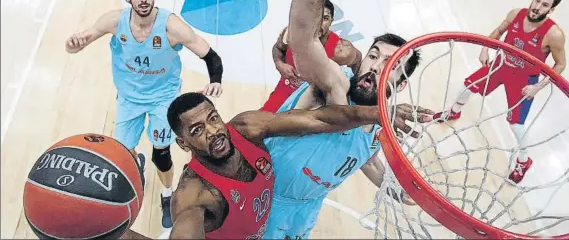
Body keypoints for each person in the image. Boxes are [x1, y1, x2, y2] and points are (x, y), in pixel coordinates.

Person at [261, 0, 435, 239]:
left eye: (388, 64)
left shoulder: (383, 121)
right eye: (374, 54)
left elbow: (366, 158)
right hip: (267, 192)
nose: (374, 65)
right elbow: (304, 40)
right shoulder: (335, 85)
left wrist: (399, 190)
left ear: (400, 85)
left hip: (308, 205)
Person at [119, 91, 423, 239]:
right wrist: (112, 232)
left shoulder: (247, 128)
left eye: (213, 118)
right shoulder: (195, 194)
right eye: (197, 130)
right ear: (184, 144)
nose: (213, 132)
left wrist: (376, 112)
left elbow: (319, 119)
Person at [64, 0, 224, 228]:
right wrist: (73, 46)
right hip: (129, 99)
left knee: (161, 154)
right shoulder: (114, 21)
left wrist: (215, 80)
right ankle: (135, 161)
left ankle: (167, 194)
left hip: (163, 99)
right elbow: (78, 44)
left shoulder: (171, 26)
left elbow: (210, 55)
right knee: (123, 152)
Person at [434, 0, 565, 184]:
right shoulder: (516, 14)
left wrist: (538, 87)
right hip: (501, 65)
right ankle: (454, 112)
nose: (537, 7)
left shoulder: (554, 34)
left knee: (516, 125)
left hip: (524, 80)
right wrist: (485, 49)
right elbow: (497, 32)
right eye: (537, 0)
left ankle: (523, 160)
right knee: (467, 86)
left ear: (551, 10)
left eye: (545, 5)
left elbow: (561, 64)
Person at [262, 0, 361, 112]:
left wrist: (350, 94)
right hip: (282, 94)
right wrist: (279, 64)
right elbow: (278, 48)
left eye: (325, 18)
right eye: (315, 17)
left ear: (331, 21)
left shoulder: (341, 50)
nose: (318, 23)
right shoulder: (292, 32)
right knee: (252, 126)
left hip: (311, 106)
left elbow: (358, 61)